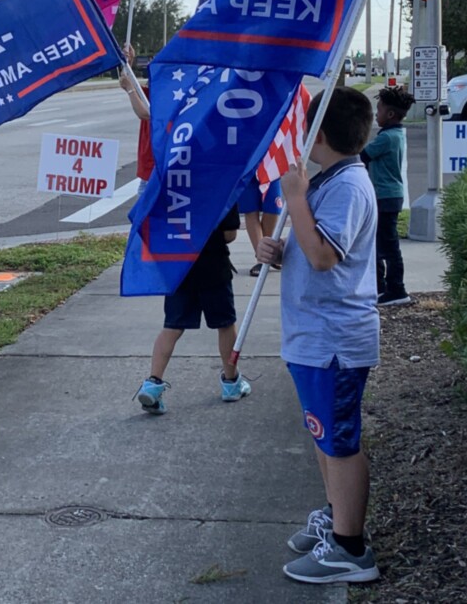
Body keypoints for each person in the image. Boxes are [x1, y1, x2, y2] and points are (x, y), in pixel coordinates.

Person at [257, 86, 380, 584]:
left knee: (341, 440)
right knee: (324, 434)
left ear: (318, 134)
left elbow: (327, 256)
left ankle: (351, 549)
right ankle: (336, 515)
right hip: (315, 337)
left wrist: (294, 199)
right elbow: (318, 250)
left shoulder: (348, 184)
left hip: (334, 341)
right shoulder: (334, 179)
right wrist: (284, 248)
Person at [135, 204, 252, 414]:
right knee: (225, 324)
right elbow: (229, 235)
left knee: (171, 327)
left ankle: (153, 383)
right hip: (213, 267)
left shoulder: (172, 183)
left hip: (179, 266)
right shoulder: (221, 184)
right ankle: (231, 382)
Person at [361, 85, 416, 306]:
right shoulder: (396, 134)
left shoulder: (387, 138)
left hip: (385, 197)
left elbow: (363, 155)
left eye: (380, 110)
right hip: (387, 196)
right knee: (378, 243)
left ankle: (396, 289)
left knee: (388, 246)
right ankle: (380, 287)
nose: (377, 114)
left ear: (391, 114)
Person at [118, 46, 152, 194]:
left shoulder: (168, 95)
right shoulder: (151, 92)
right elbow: (126, 82)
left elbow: (145, 114)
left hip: (156, 169)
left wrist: (131, 90)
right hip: (148, 168)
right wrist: (127, 62)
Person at [238, 173, 283, 276]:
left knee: (273, 208)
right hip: (248, 167)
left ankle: (267, 253)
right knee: (251, 210)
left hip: (270, 165)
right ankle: (261, 258)